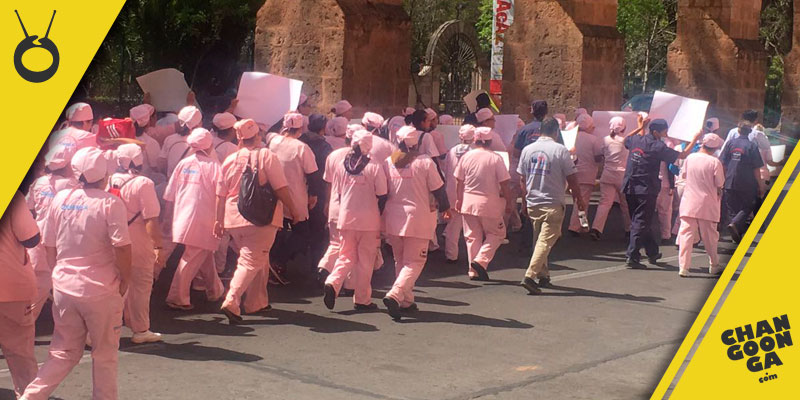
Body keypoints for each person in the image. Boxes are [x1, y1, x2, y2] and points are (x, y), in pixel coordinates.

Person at [23, 147, 132, 400]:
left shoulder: (60, 199)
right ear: (105, 175)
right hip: (101, 290)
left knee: (62, 352)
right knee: (104, 355)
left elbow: (49, 244)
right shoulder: (110, 203)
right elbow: (123, 248)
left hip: (64, 286)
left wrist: (56, 274)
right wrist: (125, 279)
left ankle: (30, 396)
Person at [216, 119, 300, 324]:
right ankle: (232, 300)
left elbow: (220, 194)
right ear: (258, 135)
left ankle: (256, 302)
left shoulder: (230, 159)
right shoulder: (266, 156)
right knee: (251, 260)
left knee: (258, 259)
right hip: (261, 218)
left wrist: (217, 220)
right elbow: (280, 188)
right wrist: (294, 209)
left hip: (233, 218)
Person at [382, 126, 450, 321]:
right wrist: (445, 208)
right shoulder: (424, 162)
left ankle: (406, 301)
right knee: (415, 262)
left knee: (400, 261)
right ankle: (395, 294)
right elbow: (438, 189)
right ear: (416, 143)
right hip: (417, 219)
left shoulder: (389, 162)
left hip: (394, 218)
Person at [517, 118, 586, 295]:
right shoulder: (560, 151)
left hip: (534, 201)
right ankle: (530, 275)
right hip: (552, 201)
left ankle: (543, 274)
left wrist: (524, 201)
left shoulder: (527, 150)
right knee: (546, 240)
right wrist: (579, 199)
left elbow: (522, 179)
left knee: (539, 238)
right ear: (556, 132)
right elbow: (572, 179)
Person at [322, 130, 388, 311]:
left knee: (345, 255)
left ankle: (333, 282)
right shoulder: (374, 166)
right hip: (368, 221)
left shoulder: (342, 165)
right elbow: (382, 194)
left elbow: (340, 192)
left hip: (345, 217)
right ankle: (362, 299)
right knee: (365, 260)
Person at [622, 119, 702, 267]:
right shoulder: (658, 146)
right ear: (655, 132)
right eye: (664, 131)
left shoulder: (636, 139)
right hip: (646, 188)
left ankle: (652, 252)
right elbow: (682, 155)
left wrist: (640, 127)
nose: (666, 133)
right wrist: (695, 139)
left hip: (630, 186)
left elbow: (625, 139)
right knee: (640, 221)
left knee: (640, 219)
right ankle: (632, 256)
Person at [163, 128, 224, 310]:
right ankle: (177, 297)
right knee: (192, 257)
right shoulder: (215, 167)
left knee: (203, 255)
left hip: (183, 217)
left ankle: (216, 290)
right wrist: (221, 220)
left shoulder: (183, 164)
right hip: (205, 220)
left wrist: (167, 219)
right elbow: (221, 197)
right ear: (210, 145)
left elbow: (169, 195)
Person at [108, 144, 164, 343]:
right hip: (138, 243)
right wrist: (159, 246)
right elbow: (151, 220)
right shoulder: (144, 183)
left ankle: (100, 330)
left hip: (113, 240)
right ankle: (140, 330)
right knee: (140, 287)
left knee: (114, 287)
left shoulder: (109, 180)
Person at [25, 145, 79, 320]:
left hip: (37, 236)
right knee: (48, 281)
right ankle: (25, 321)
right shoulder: (72, 185)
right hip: (62, 241)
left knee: (37, 278)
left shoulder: (38, 183)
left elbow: (28, 208)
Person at [269, 112, 322, 284]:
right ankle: (279, 261)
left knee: (277, 231)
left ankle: (274, 262)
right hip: (296, 196)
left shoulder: (273, 142)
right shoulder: (301, 147)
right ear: (301, 128)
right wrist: (314, 195)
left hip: (274, 195)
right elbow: (313, 174)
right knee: (302, 234)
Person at [454, 127, 513, 281]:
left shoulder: (466, 157)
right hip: (489, 204)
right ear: (490, 141)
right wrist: (509, 202)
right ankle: (481, 260)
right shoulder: (495, 158)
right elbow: (505, 183)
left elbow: (459, 181)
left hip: (468, 201)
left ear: (475, 140)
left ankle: (473, 270)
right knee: (497, 233)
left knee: (472, 237)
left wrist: (459, 199)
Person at [0, 191, 41, 398]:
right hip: (9, 286)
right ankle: (28, 395)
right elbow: (31, 238)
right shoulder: (12, 198)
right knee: (19, 351)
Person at [677, 134, 726, 277]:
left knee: (686, 234)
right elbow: (720, 183)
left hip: (689, 201)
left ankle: (683, 267)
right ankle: (714, 264)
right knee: (710, 236)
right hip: (707, 203)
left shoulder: (690, 158)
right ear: (715, 148)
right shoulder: (715, 162)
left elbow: (684, 175)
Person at [590, 116, 642, 240]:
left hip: (607, 174)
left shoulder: (606, 140)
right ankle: (629, 229)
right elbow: (631, 137)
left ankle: (596, 228)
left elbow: (600, 155)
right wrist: (641, 126)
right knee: (625, 204)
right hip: (622, 175)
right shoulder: (625, 141)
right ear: (623, 127)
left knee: (604, 203)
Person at [719, 123, 764, 243]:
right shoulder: (752, 146)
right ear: (749, 132)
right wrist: (760, 185)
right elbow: (756, 168)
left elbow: (722, 163)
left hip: (730, 180)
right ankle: (735, 225)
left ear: (738, 131)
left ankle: (736, 233)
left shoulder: (730, 143)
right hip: (747, 182)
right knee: (748, 205)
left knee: (733, 208)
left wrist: (723, 179)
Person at [301, 114, 334, 268]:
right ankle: (316, 264)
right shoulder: (325, 147)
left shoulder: (299, 142)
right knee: (317, 230)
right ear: (323, 128)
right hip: (318, 191)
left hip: (299, 189)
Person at [442, 125, 475, 262]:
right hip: (468, 192)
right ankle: (474, 258)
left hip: (451, 191)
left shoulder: (452, 151)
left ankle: (451, 254)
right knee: (472, 227)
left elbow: (446, 169)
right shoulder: (474, 152)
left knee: (453, 225)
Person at [567, 114, 603, 236]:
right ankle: (574, 227)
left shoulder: (572, 137)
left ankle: (583, 225)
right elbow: (598, 157)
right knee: (582, 201)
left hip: (571, 172)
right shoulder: (593, 139)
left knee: (578, 200)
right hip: (587, 174)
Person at [159, 105, 202, 178]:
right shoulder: (204, 141)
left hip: (172, 183)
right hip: (193, 184)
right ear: (199, 124)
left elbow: (161, 163)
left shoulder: (170, 139)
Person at [129, 104, 167, 184]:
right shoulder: (151, 142)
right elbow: (156, 167)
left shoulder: (125, 139)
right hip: (144, 182)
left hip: (126, 180)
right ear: (148, 122)